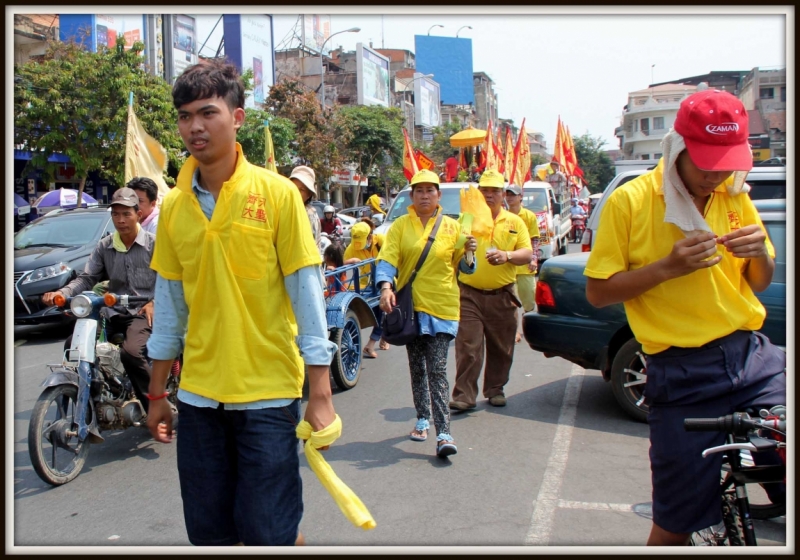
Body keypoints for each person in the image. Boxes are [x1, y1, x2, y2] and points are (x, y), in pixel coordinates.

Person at [144, 59, 338, 547]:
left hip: (268, 395)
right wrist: (158, 394)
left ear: (238, 117)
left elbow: (307, 296)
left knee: (267, 532)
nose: (194, 126)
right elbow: (169, 308)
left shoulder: (277, 196)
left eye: (208, 113)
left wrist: (320, 391)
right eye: (185, 116)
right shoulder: (172, 207)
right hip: (200, 399)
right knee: (209, 534)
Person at [584, 89, 786, 546]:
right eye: (705, 163)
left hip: (752, 357)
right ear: (677, 148)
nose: (716, 175)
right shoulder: (631, 201)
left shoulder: (735, 194)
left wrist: (760, 253)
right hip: (681, 372)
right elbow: (598, 292)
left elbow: (758, 282)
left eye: (725, 163)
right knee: (675, 521)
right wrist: (667, 268)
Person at [377, 169, 478, 458]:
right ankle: (422, 418)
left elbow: (468, 269)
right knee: (417, 367)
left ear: (438, 195)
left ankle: (444, 433)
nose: (424, 195)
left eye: (429, 190)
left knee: (437, 368)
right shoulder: (399, 227)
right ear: (412, 195)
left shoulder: (453, 227)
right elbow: (387, 260)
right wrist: (386, 288)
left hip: (442, 306)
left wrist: (470, 251)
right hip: (410, 309)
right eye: (418, 190)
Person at [42, 187, 156, 410]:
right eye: (116, 214)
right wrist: (62, 294)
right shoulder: (105, 246)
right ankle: (95, 398)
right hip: (112, 311)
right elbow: (87, 278)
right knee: (72, 345)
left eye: (126, 214)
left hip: (143, 312)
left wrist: (155, 302)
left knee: (131, 352)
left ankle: (155, 408)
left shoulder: (154, 245)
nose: (120, 220)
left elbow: (170, 281)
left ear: (138, 215)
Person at [449, 169, 533, 411]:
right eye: (484, 190)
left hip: (503, 294)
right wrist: (465, 245)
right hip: (469, 294)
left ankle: (495, 389)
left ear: (503, 194)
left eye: (494, 190)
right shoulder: (466, 219)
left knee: (502, 347)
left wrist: (507, 255)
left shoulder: (515, 222)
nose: (489, 195)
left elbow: (526, 253)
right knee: (468, 347)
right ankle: (464, 395)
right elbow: (454, 253)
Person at [504, 184, 541, 342]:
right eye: (508, 194)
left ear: (520, 197)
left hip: (525, 266)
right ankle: (515, 331)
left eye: (513, 195)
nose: (510, 197)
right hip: (509, 265)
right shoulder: (503, 216)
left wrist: (533, 258)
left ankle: (529, 328)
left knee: (528, 301)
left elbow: (535, 239)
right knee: (511, 302)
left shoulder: (529, 216)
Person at [344, 219, 386, 358]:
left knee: (384, 309)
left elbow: (393, 256)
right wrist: (350, 261)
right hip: (364, 283)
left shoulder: (380, 241)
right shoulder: (352, 248)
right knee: (375, 312)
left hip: (384, 280)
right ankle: (381, 336)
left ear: (369, 237)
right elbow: (341, 266)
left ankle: (371, 344)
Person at [290, 165, 321, 247]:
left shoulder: (309, 213)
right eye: (293, 187)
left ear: (309, 194)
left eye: (301, 190)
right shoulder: (284, 209)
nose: (296, 192)